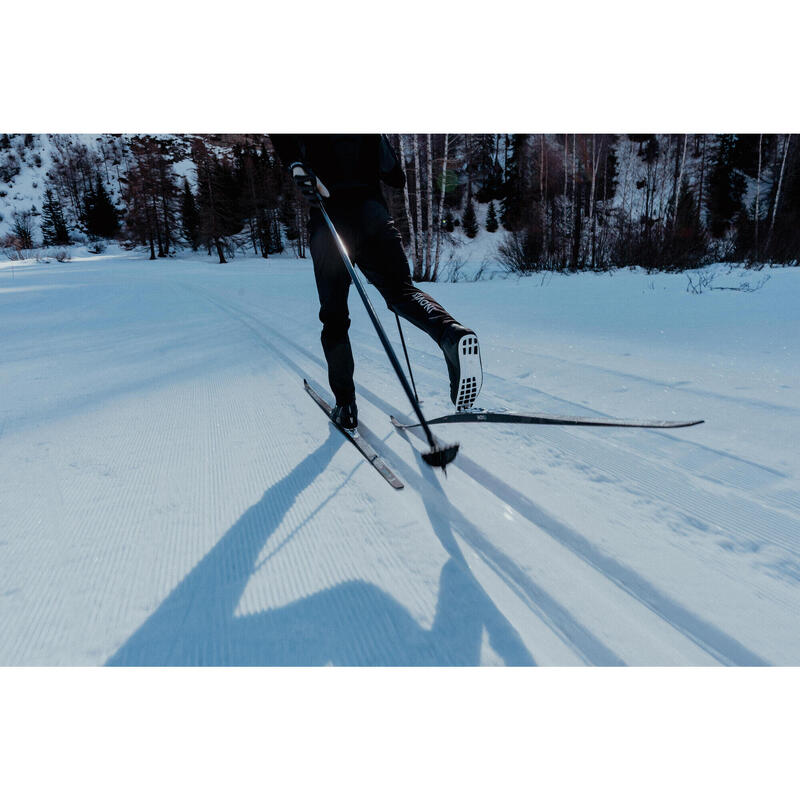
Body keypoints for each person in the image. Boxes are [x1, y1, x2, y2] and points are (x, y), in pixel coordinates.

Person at [270, 134, 482, 430]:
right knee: (402, 292)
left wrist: (297, 164)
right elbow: (396, 176)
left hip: (330, 225)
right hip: (374, 220)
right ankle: (450, 332)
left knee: (334, 318)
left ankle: (345, 407)